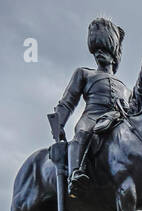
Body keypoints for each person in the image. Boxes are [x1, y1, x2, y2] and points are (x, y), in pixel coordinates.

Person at [50, 18, 131, 197]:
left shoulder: (126, 88)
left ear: (114, 53)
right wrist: (59, 124)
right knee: (82, 132)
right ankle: (75, 175)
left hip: (115, 123)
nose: (99, 53)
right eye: (96, 50)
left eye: (104, 49)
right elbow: (68, 101)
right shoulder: (84, 73)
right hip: (92, 118)